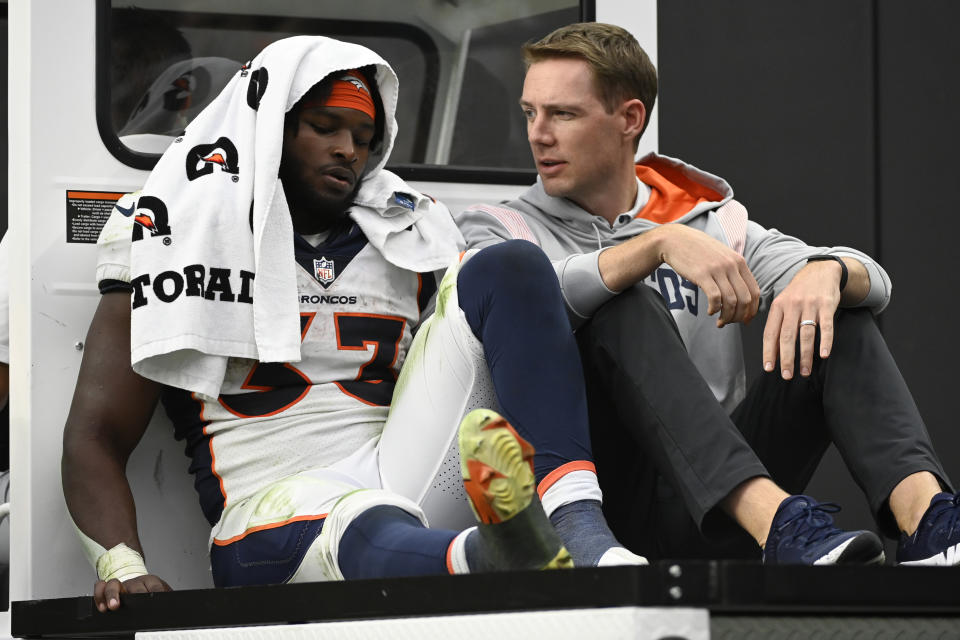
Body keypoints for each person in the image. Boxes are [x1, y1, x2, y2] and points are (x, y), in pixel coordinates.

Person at [61, 35, 644, 613]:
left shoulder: (404, 230)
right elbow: (97, 432)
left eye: (363, 139)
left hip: (402, 468)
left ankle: (577, 531)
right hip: (267, 511)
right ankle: (502, 558)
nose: (348, 150)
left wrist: (650, 249)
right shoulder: (174, 228)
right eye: (325, 127)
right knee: (360, 519)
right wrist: (122, 567)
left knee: (510, 265)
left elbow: (521, 319)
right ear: (271, 128)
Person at [457, 22, 959, 567]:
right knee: (619, 302)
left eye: (563, 114)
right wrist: (655, 247)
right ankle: (780, 523)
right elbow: (523, 307)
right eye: (531, 112)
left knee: (836, 309)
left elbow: (875, 282)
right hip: (597, 513)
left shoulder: (711, 222)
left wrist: (827, 271)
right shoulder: (497, 229)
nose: (538, 133)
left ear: (630, 119)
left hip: (716, 512)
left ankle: (930, 528)